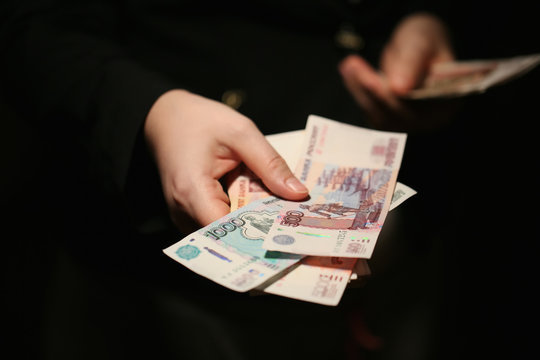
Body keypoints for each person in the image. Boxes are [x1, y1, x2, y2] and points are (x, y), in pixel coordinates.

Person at [1, 1, 459, 359]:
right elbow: (34, 24)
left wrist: (423, 15)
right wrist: (150, 111)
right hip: (158, 287)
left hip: (409, 253)